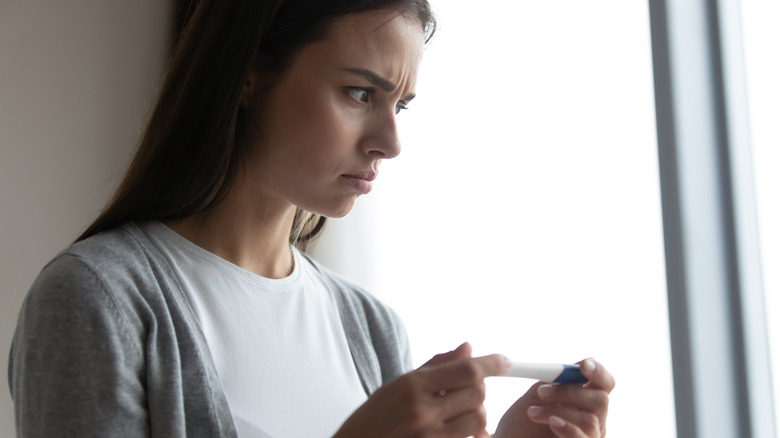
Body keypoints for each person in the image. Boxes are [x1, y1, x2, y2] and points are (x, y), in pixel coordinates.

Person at [8, 1, 615, 437]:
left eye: (400, 105)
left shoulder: (371, 329)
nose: (390, 141)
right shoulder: (96, 298)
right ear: (250, 72)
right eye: (360, 93)